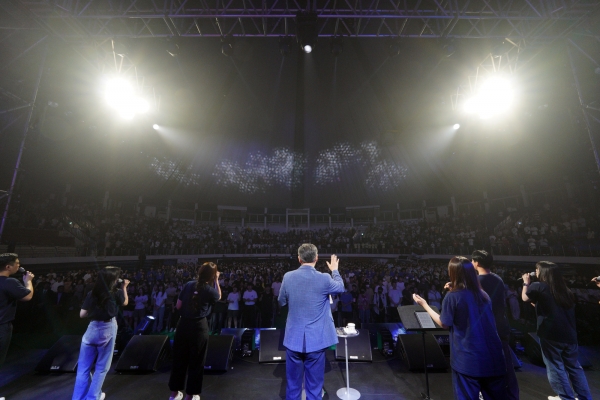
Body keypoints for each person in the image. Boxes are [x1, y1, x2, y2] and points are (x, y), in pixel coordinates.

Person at [413, 256, 507, 400]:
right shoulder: (483, 295)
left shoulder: (453, 297)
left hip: (469, 360)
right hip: (494, 358)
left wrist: (424, 305)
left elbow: (444, 323)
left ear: (453, 273)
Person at [278, 244, 345, 400]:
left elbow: (281, 301)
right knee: (314, 388)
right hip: (316, 341)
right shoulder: (324, 278)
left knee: (293, 386)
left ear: (299, 259)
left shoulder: (288, 276)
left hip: (293, 340)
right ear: (316, 258)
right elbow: (341, 287)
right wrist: (334, 270)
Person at [522, 262, 592, 400]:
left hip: (551, 335)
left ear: (543, 272)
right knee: (574, 368)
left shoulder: (538, 286)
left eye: (537, 270)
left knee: (556, 367)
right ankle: (585, 397)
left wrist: (526, 283)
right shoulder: (565, 290)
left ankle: (566, 397)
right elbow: (556, 308)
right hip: (570, 335)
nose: (535, 272)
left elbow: (524, 298)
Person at [72, 266, 129, 400]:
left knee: (83, 368)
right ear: (114, 279)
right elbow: (125, 302)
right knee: (101, 368)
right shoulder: (117, 292)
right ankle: (93, 397)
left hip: (91, 328)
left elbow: (82, 314)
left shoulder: (92, 293)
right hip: (108, 328)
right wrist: (124, 287)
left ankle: (78, 398)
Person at [168, 262, 221, 400]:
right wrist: (216, 280)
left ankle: (174, 394)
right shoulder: (210, 290)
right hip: (198, 327)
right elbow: (219, 297)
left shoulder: (188, 284)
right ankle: (190, 396)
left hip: (183, 325)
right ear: (212, 275)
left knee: (179, 359)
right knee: (196, 361)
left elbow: (178, 306)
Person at [472, 249, 519, 400]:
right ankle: (512, 395)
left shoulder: (478, 282)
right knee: (507, 365)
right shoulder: (498, 279)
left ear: (477, 263)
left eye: (472, 261)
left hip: (487, 329)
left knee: (485, 365)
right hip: (501, 325)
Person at [0, 253, 34, 366]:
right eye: (17, 264)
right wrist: (28, 281)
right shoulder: (10, 282)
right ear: (8, 267)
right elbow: (27, 296)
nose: (19, 266)